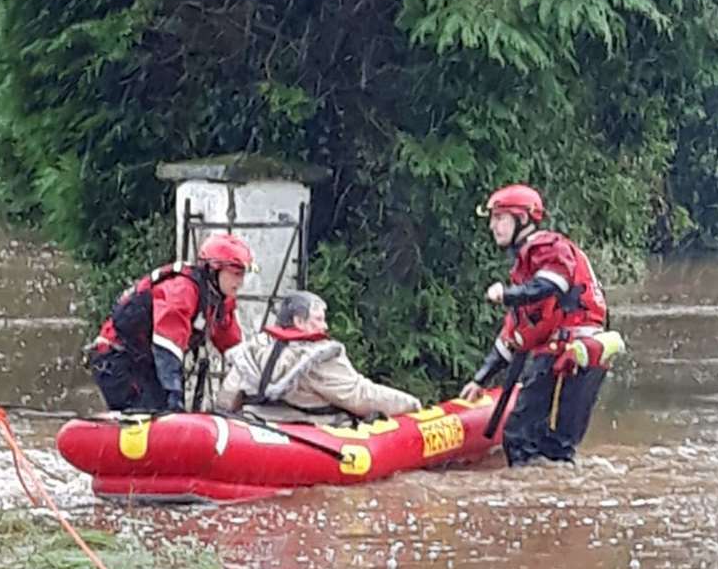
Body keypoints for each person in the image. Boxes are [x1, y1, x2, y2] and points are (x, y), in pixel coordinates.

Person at [459, 184, 624, 466]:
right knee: (555, 448)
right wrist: (479, 380)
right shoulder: (529, 265)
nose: (492, 226)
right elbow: (514, 337)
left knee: (520, 437)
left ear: (522, 219)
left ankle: (528, 499)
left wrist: (506, 294)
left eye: (500, 218)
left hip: (569, 352)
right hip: (580, 355)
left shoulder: (548, 248)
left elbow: (551, 285)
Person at [89, 232, 253, 413]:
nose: (240, 282)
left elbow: (233, 348)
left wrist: (254, 382)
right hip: (118, 358)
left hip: (146, 362)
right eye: (236, 274)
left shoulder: (220, 302)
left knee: (162, 410)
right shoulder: (182, 290)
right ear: (214, 269)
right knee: (149, 414)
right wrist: (173, 392)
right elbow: (167, 345)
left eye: (243, 275)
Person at [216, 290, 422, 423]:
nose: (325, 326)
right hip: (305, 435)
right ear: (299, 321)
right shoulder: (320, 357)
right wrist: (411, 404)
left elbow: (227, 398)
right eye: (319, 319)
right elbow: (360, 396)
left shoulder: (254, 349)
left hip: (254, 424)